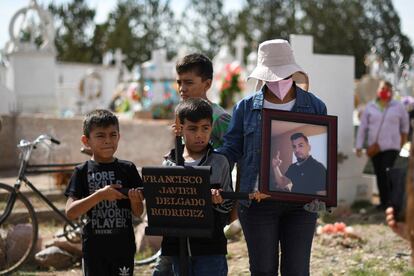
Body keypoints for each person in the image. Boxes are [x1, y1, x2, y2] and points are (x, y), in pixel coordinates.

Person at [217, 39, 327, 275]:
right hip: (257, 205)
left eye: (283, 75)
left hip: (302, 206)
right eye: (272, 76)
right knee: (262, 270)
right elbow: (231, 149)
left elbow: (321, 152)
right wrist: (206, 167)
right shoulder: (244, 108)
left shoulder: (315, 106)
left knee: (297, 270)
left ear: (293, 73)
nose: (278, 81)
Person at [153, 53, 232, 276]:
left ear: (207, 84)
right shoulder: (182, 113)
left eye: (189, 82)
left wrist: (226, 207)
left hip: (209, 212)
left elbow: (227, 161)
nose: (182, 88)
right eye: (179, 82)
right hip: (179, 214)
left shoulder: (219, 118)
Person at [65, 109, 144, 276]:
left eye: (113, 135)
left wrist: (135, 200)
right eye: (100, 136)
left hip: (123, 248)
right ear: (86, 141)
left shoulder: (128, 168)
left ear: (119, 137)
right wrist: (99, 195)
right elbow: (71, 212)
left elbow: (138, 213)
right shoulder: (81, 171)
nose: (108, 141)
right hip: (94, 250)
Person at [356, 80, 409, 210]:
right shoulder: (371, 106)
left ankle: (391, 202)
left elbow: (405, 126)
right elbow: (363, 127)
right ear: (378, 90)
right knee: (379, 174)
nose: (384, 91)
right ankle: (384, 202)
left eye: (387, 89)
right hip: (375, 147)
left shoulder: (398, 106)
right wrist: (359, 145)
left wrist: (403, 142)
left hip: (391, 146)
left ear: (391, 91)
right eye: (382, 88)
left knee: (386, 172)